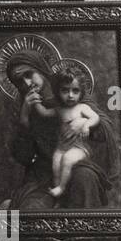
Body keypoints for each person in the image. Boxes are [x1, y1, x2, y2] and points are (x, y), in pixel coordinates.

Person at [3, 51, 115, 211]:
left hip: (78, 164)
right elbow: (24, 157)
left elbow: (105, 129)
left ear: (40, 68)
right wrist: (24, 120)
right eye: (19, 81)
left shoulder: (69, 89)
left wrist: (83, 122)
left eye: (29, 74)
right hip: (42, 177)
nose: (27, 83)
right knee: (32, 209)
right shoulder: (22, 107)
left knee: (84, 179)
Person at [27, 65, 102, 198]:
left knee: (67, 159)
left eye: (75, 91)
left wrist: (86, 125)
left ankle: (61, 188)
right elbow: (43, 113)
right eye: (65, 91)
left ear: (81, 92)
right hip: (62, 147)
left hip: (79, 148)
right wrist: (35, 100)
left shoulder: (82, 107)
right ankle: (58, 191)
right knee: (56, 164)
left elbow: (95, 117)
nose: (70, 95)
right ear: (58, 91)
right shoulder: (59, 109)